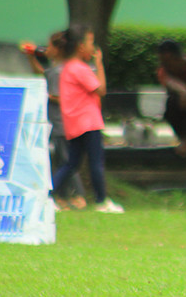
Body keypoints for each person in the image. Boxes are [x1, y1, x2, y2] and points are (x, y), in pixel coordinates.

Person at [52, 25, 124, 214]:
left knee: (71, 163)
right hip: (88, 122)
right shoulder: (79, 68)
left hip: (75, 123)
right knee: (96, 162)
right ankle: (102, 201)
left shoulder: (68, 68)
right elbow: (101, 89)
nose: (93, 47)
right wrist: (99, 64)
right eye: (90, 42)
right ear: (80, 46)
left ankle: (48, 196)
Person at [23, 32, 87, 210]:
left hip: (62, 122)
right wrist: (31, 57)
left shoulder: (60, 71)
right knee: (60, 159)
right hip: (58, 122)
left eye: (50, 45)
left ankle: (79, 196)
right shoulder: (56, 68)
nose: (47, 48)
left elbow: (62, 97)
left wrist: (44, 95)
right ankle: (63, 198)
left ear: (58, 49)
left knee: (67, 160)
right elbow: (43, 75)